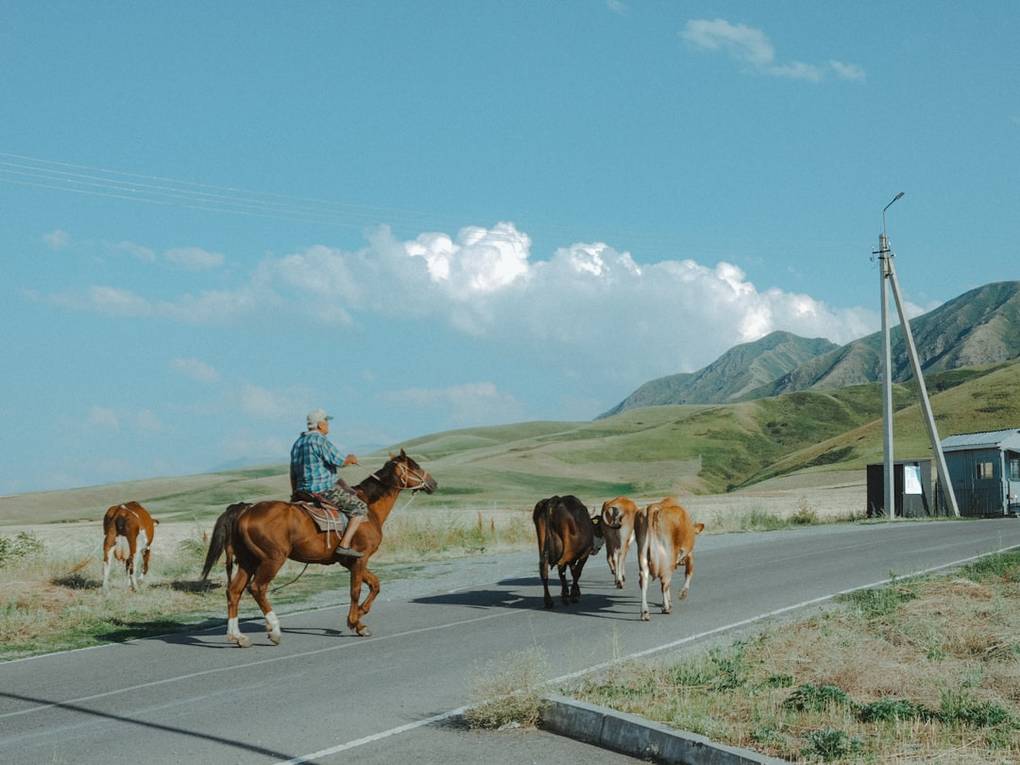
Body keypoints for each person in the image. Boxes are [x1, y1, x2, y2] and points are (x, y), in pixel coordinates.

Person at [290, 408, 367, 559]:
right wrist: (350, 459)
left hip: (302, 491)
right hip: (323, 489)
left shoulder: (298, 443)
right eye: (326, 422)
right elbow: (339, 461)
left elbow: (292, 472)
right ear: (320, 425)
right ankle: (344, 545)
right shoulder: (320, 440)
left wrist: (295, 493)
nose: (328, 425)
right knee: (360, 508)